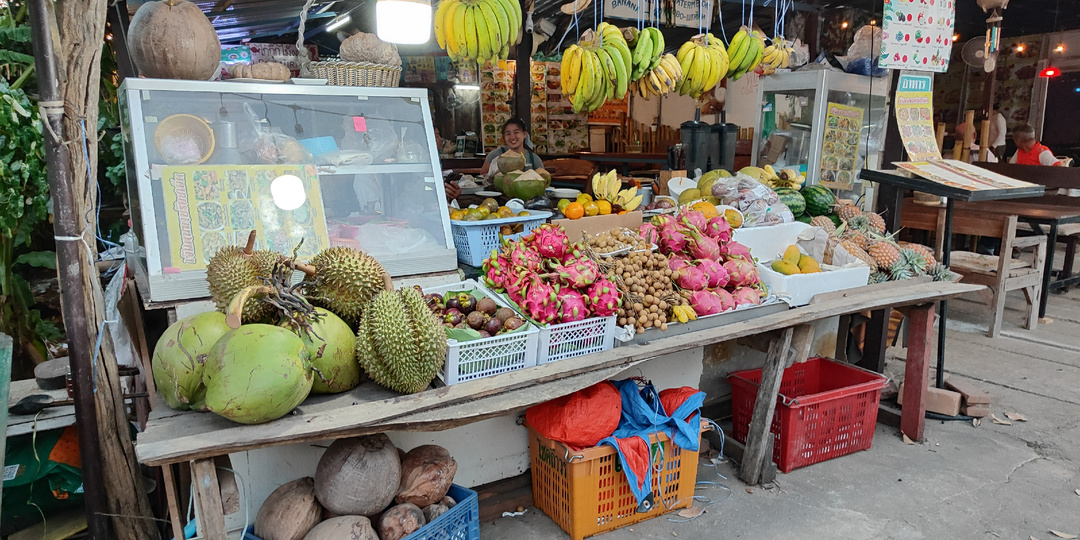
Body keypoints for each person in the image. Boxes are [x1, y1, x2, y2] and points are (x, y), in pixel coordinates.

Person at [479, 118, 544, 177]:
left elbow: (542, 178)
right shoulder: (495, 155)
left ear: (524, 134)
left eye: (516, 132)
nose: (512, 137)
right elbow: (482, 174)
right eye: (508, 133)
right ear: (503, 136)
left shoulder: (534, 159)